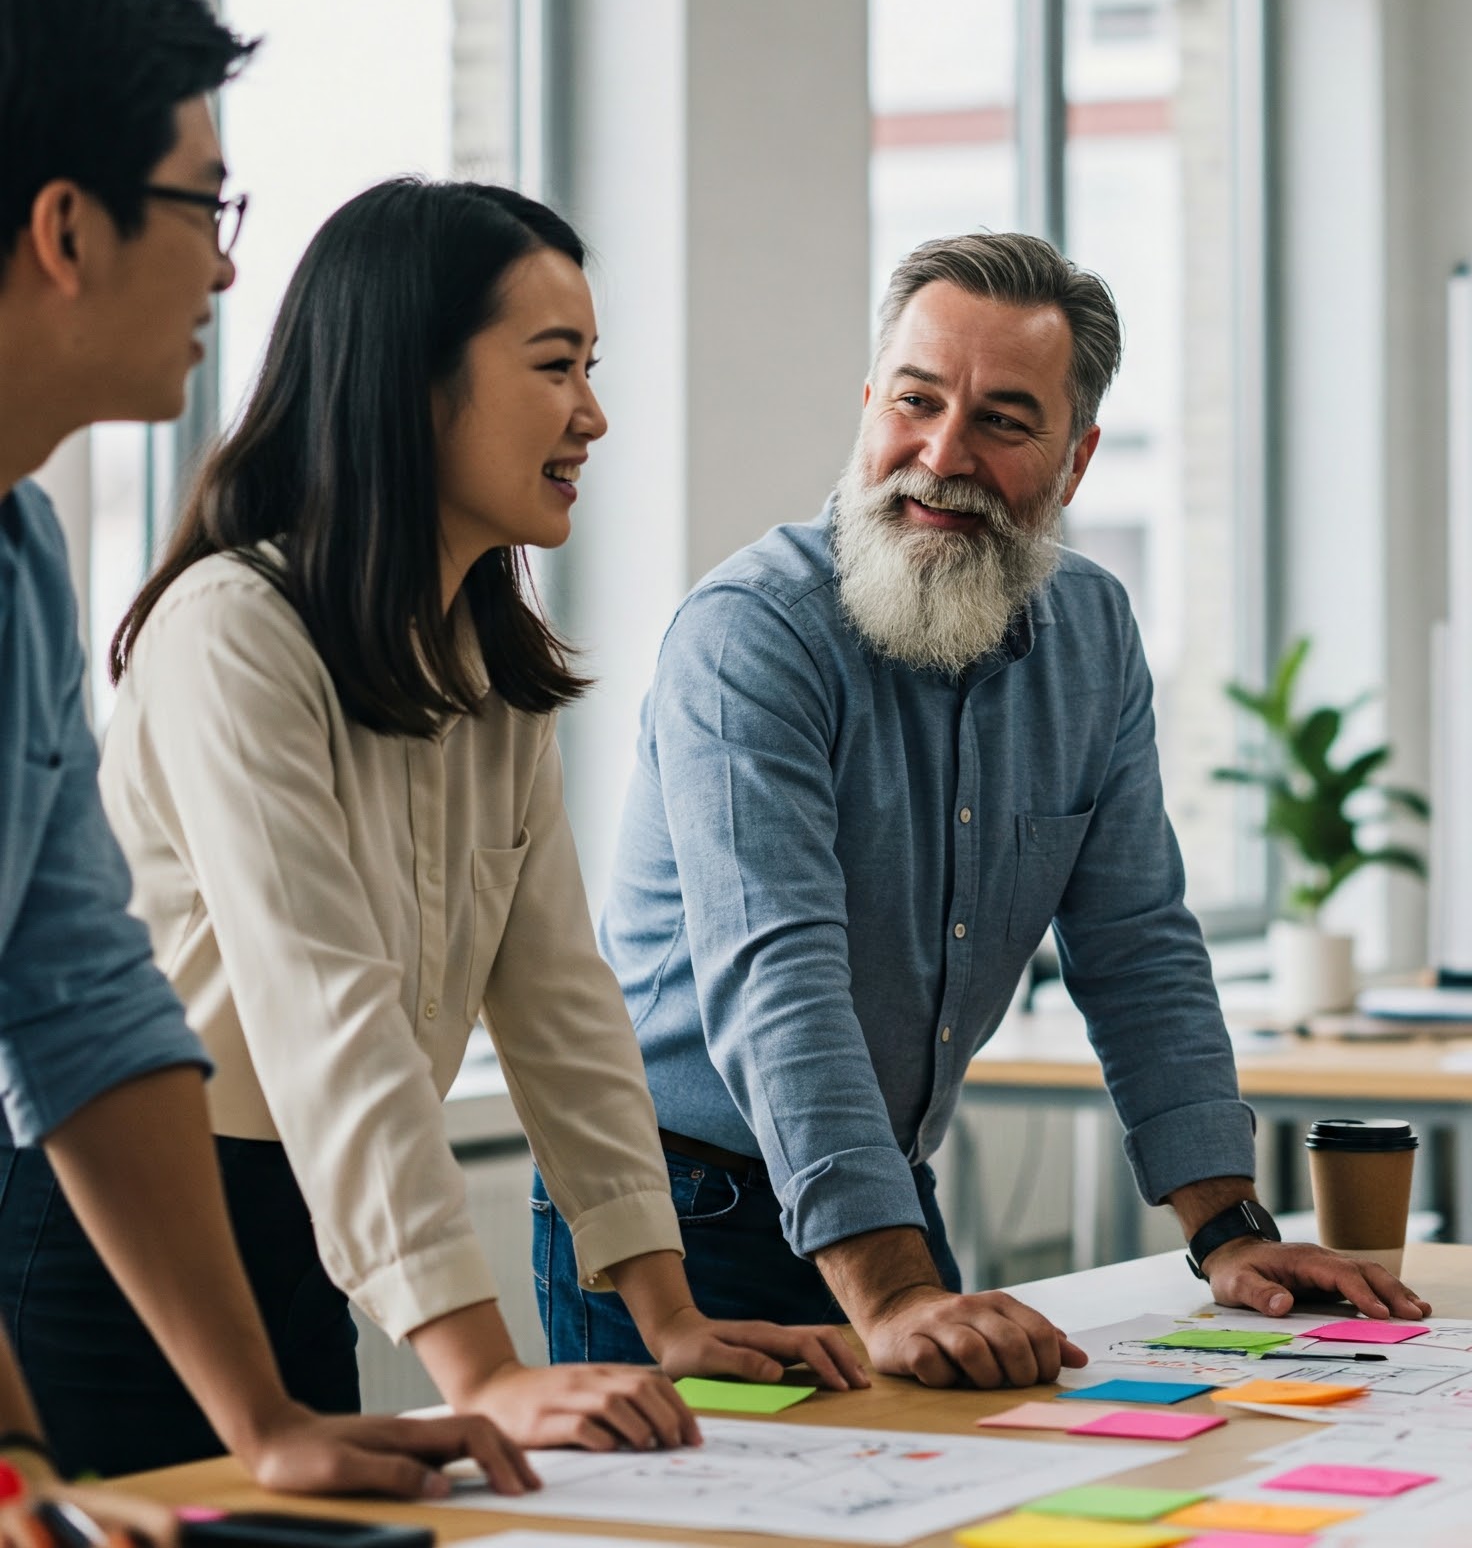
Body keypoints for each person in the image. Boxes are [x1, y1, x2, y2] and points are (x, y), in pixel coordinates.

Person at [36, 177, 868, 1479]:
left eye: (593, 369)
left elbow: (561, 1004)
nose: (593, 416)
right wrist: (482, 1372)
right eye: (555, 367)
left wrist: (669, 1313)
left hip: (305, 1236)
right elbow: (331, 1014)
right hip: (120, 1252)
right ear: (413, 380)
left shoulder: (489, 667)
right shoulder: (234, 631)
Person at [538, 231, 1431, 1387]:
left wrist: (1231, 1231)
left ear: (1076, 457)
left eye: (1003, 421)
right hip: (675, 1217)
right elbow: (780, 982)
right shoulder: (750, 634)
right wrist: (900, 1292)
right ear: (868, 403)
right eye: (914, 401)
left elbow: (1136, 941)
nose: (939, 454)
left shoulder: (1093, 633)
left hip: (883, 1190)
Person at [0, 0, 530, 1514]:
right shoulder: (228, 617)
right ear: (66, 228)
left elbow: (82, 996)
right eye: (204, 207)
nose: (231, 271)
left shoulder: (24, 558)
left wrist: (263, 1420)